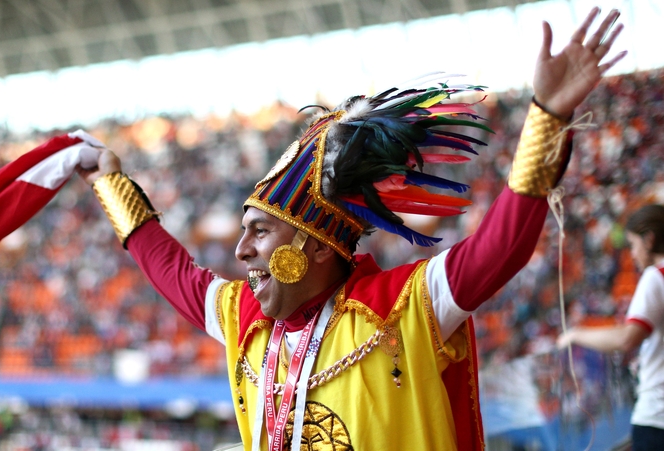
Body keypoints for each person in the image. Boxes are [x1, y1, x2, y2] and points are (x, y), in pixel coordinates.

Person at [78, 7, 625, 451]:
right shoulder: (246, 318)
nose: (241, 251)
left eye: (260, 232)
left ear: (311, 247)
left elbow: (500, 248)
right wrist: (112, 186)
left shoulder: (403, 307)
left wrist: (546, 118)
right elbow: (172, 270)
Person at [557, 205, 664, 451]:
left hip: (657, 416)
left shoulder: (654, 276)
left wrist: (575, 334)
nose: (632, 254)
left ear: (649, 240)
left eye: (633, 244)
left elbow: (628, 338)